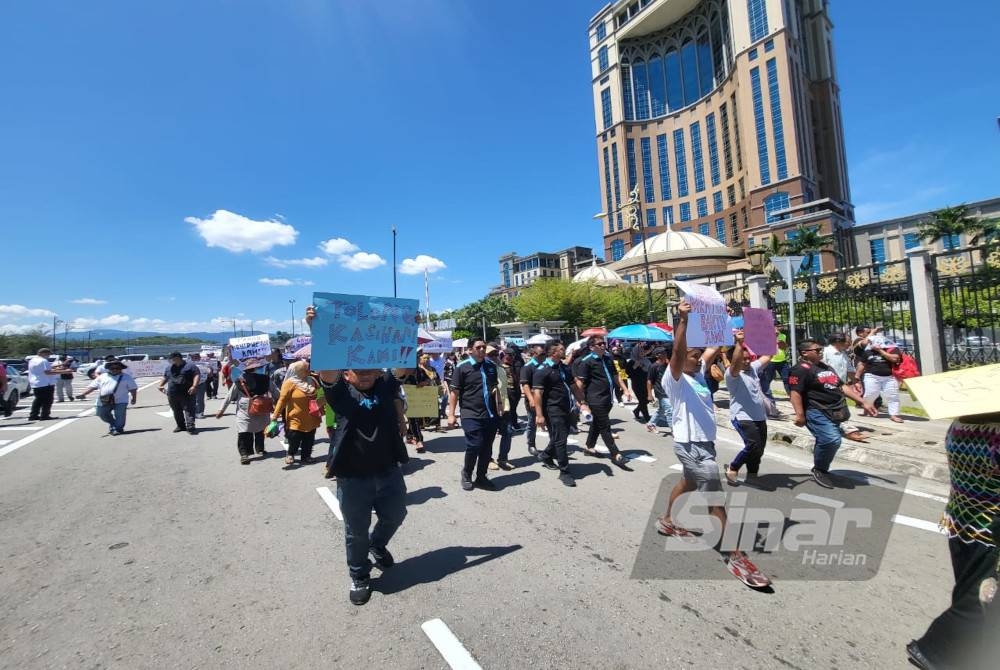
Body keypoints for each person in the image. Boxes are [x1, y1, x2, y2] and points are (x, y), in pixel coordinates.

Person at [655, 300, 765, 580]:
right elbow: (679, 352)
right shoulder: (675, 378)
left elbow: (713, 347)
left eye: (697, 355)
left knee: (688, 482)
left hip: (704, 444)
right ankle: (734, 554)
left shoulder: (699, 374)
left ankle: (666, 520)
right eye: (693, 354)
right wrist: (682, 321)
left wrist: (726, 324)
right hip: (691, 446)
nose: (699, 357)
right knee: (714, 495)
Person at [907, 411, 1000, 669]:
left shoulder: (960, 424)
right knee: (978, 599)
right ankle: (934, 651)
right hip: (988, 530)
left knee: (969, 590)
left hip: (961, 522)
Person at [318, 367, 410, 606]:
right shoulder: (340, 394)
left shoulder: (385, 387)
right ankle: (359, 575)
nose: (366, 374)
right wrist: (320, 331)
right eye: (360, 370)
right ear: (347, 374)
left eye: (371, 369)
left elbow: (403, 364)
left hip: (389, 472)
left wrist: (410, 328)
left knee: (396, 514)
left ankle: (377, 545)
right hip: (352, 478)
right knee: (356, 531)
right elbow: (327, 372)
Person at [788, 339, 877, 488]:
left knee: (829, 440)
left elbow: (841, 386)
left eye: (821, 349)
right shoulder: (800, 369)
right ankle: (820, 469)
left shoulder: (825, 367)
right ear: (804, 353)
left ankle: (822, 461)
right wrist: (800, 415)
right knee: (832, 439)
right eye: (817, 350)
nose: (820, 352)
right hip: (816, 410)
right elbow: (795, 393)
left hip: (835, 409)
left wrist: (862, 402)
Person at [532, 340, 591, 487]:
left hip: (566, 408)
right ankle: (565, 472)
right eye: (562, 349)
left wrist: (582, 402)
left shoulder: (564, 367)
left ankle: (545, 455)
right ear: (553, 352)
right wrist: (539, 415)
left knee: (561, 436)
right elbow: (537, 393)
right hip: (552, 410)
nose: (564, 351)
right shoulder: (542, 370)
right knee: (560, 441)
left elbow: (573, 387)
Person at [446, 339, 501, 491]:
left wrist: (500, 406)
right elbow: (454, 392)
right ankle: (467, 473)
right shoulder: (462, 367)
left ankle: (481, 477)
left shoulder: (491, 366)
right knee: (475, 444)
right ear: (470, 350)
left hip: (489, 414)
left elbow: (494, 389)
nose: (482, 350)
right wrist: (451, 414)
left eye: (484, 347)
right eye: (478, 347)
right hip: (470, 413)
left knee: (486, 447)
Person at [724, 330, 773, 485]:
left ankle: (752, 475)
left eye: (748, 359)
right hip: (743, 416)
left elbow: (768, 355)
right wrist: (739, 343)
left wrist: (771, 336)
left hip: (759, 416)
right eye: (742, 359)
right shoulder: (732, 374)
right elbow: (735, 364)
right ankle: (733, 467)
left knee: (759, 449)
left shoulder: (752, 368)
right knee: (752, 446)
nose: (746, 362)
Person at [574, 335, 631, 469]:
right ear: (591, 347)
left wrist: (625, 390)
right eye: (599, 344)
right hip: (595, 399)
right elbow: (579, 383)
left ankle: (589, 446)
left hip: (608, 398)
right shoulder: (586, 362)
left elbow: (616, 376)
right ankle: (615, 454)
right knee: (605, 426)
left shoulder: (608, 358)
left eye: (603, 343)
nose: (603, 346)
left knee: (597, 423)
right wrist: (580, 401)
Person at [215, 357, 271, 464]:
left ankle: (246, 453)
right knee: (258, 430)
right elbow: (276, 392)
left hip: (245, 410)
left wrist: (221, 410)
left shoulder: (240, 381)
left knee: (245, 432)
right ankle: (257, 450)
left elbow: (229, 396)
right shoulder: (265, 379)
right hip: (261, 407)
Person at [271, 360, 323, 465]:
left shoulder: (312, 380)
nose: (309, 370)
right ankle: (290, 454)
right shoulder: (290, 383)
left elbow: (321, 391)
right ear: (300, 371)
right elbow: (282, 400)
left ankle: (306, 456)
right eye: (306, 369)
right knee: (295, 437)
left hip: (311, 416)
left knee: (309, 437)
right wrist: (275, 416)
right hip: (296, 417)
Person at [822, 333, 867, 442]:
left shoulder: (843, 354)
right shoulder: (825, 352)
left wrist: (856, 382)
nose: (850, 344)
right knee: (836, 408)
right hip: (827, 386)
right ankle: (847, 430)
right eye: (848, 341)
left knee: (838, 408)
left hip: (840, 386)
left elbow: (849, 369)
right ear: (838, 341)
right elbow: (820, 370)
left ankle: (842, 428)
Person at [78, 359, 137, 435]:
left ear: (121, 368)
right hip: (105, 400)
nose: (115, 370)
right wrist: (84, 394)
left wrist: (134, 398)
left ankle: (116, 429)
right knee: (101, 413)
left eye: (117, 368)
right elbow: (92, 387)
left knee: (120, 418)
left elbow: (133, 389)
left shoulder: (127, 377)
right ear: (108, 368)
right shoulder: (102, 376)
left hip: (121, 401)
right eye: (112, 368)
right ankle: (113, 424)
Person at [854, 332, 903, 423]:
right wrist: (857, 376)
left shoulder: (892, 349)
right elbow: (862, 364)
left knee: (893, 395)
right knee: (870, 394)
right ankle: (867, 409)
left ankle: (894, 414)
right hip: (871, 376)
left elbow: (895, 359)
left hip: (889, 377)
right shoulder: (868, 351)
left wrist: (880, 351)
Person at [487, 345, 515, 470]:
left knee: (508, 432)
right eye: (491, 354)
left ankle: (503, 459)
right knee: (490, 435)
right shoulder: (484, 369)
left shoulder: (501, 368)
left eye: (496, 354)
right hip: (491, 407)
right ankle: (488, 459)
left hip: (505, 406)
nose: (494, 357)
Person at [158, 351, 200, 434]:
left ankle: (190, 425)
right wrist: (160, 385)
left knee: (189, 409)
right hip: (172, 393)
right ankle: (180, 426)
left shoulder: (190, 366)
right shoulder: (169, 368)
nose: (171, 360)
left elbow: (196, 375)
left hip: (187, 392)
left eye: (172, 359)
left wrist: (194, 386)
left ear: (178, 358)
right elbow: (166, 377)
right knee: (176, 410)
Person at [520, 341, 546, 456]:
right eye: (540, 355)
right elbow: (525, 385)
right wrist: (531, 399)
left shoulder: (546, 365)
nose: (543, 357)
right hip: (533, 398)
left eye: (544, 354)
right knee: (532, 422)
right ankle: (531, 444)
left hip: (546, 397)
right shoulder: (528, 367)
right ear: (533, 354)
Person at [759, 326, 789, 416]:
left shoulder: (783, 335)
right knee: (766, 382)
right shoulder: (765, 335)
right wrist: (773, 337)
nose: (778, 328)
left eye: (779, 326)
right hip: (770, 361)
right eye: (776, 326)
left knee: (787, 379)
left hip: (782, 361)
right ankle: (769, 404)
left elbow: (784, 347)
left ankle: (791, 396)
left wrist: (782, 343)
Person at [27, 348, 62, 421]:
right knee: (48, 400)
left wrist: (54, 368)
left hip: (36, 382)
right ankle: (45, 415)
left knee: (38, 400)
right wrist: (63, 372)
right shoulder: (43, 360)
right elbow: (47, 372)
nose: (49, 356)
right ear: (43, 353)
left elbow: (41, 370)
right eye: (48, 354)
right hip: (45, 383)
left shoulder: (32, 360)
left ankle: (33, 415)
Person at [646, 346, 672, 433]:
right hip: (660, 391)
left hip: (669, 391)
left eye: (665, 352)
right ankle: (675, 431)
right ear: (657, 355)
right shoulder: (654, 366)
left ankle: (651, 424)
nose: (665, 354)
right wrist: (649, 394)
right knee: (669, 410)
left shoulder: (668, 365)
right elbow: (649, 381)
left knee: (661, 409)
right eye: (663, 353)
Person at [628, 342, 652, 423]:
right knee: (642, 401)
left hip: (646, 384)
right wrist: (635, 366)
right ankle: (647, 418)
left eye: (643, 351)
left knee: (646, 400)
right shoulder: (631, 361)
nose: (642, 353)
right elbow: (628, 373)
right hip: (637, 384)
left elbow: (650, 372)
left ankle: (636, 410)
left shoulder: (646, 360)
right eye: (640, 351)